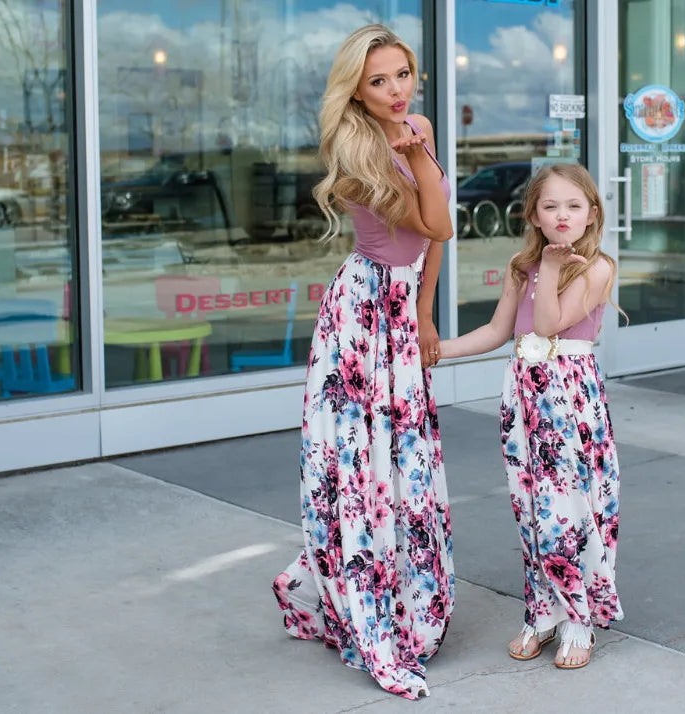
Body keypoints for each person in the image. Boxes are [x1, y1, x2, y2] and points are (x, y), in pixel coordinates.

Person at [271, 24, 454, 700]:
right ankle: (360, 592)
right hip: (363, 312)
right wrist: (424, 159)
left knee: (405, 454)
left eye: (402, 74)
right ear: (356, 88)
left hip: (403, 307)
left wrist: (428, 313)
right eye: (379, 81)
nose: (395, 90)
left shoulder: (418, 126)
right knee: (364, 460)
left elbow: (438, 243)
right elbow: (435, 222)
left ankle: (405, 584)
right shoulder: (353, 148)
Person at [439, 163, 623, 669]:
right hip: (524, 398)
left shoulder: (597, 267)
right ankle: (542, 609)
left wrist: (551, 268)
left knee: (569, 512)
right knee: (531, 511)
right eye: (550, 206)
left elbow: (549, 323)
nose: (562, 215)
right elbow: (501, 330)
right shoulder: (522, 267)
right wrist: (437, 350)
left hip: (569, 400)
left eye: (573, 205)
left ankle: (579, 618)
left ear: (591, 214)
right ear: (534, 215)